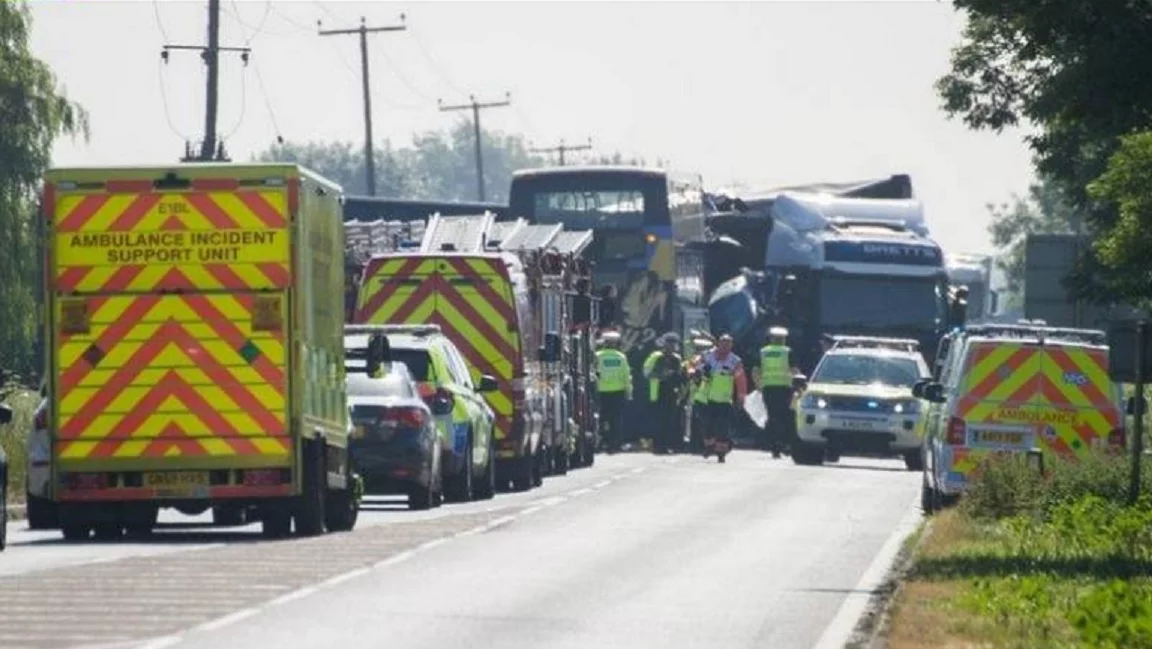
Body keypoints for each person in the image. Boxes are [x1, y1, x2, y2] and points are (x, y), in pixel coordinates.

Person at [695, 333, 748, 463]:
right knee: (706, 425)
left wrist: (741, 398)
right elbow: (693, 366)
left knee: (722, 427)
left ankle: (721, 453)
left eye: (728, 344)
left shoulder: (735, 361)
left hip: (723, 400)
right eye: (723, 343)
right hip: (704, 398)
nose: (725, 347)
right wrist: (698, 371)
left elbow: (741, 381)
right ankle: (709, 446)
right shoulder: (707, 356)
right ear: (718, 343)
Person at [642, 333, 687, 454]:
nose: (671, 346)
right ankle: (658, 446)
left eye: (674, 344)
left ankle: (669, 444)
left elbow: (679, 376)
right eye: (669, 343)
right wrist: (661, 375)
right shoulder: (656, 357)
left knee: (670, 420)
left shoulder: (677, 359)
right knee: (658, 420)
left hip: (672, 393)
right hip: (658, 392)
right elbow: (647, 373)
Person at [760, 327, 798, 459]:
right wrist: (798, 385)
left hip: (768, 388)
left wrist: (759, 386)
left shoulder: (763, 352)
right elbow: (794, 370)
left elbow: (755, 370)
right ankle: (784, 444)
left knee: (772, 417)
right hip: (784, 389)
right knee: (786, 417)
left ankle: (774, 447)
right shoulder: (787, 352)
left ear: (770, 338)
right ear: (784, 339)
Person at [595, 330, 632, 453]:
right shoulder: (620, 357)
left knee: (601, 418)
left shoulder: (598, 356)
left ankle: (601, 441)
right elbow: (626, 376)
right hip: (618, 392)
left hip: (601, 391)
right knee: (616, 420)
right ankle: (615, 444)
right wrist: (628, 392)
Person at [684, 337, 714, 454]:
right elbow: (691, 374)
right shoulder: (695, 361)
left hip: (705, 393)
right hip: (698, 393)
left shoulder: (710, 360)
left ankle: (699, 445)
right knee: (699, 421)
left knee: (701, 421)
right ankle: (698, 446)